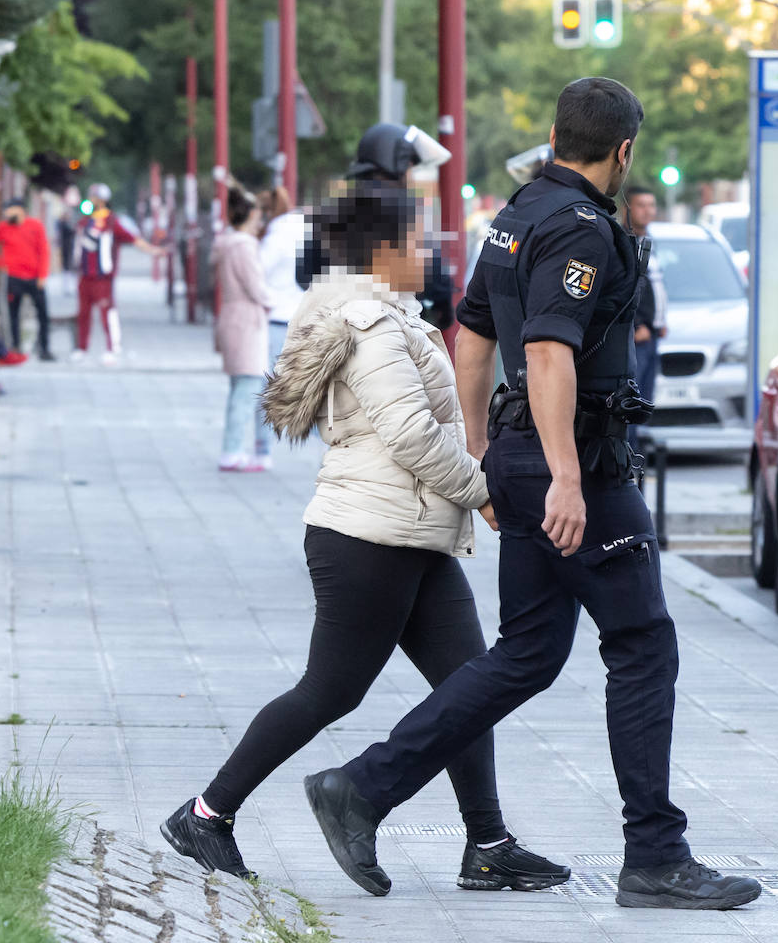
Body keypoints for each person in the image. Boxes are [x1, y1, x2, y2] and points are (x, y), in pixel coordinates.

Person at [302, 78, 763, 910]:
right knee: (643, 646)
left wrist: (484, 452)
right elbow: (548, 351)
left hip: (520, 456)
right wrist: (565, 477)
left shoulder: (513, 216)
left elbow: (470, 336)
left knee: (527, 655)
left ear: (555, 135)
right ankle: (655, 855)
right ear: (624, 151)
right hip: (573, 465)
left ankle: (362, 789)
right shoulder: (581, 229)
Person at [160, 182, 569, 893]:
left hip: (407, 532)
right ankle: (206, 813)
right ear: (384, 251)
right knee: (330, 690)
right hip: (369, 537)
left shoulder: (388, 316)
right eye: (419, 241)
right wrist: (484, 494)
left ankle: (488, 842)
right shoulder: (370, 324)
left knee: (466, 685)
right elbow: (411, 436)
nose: (430, 252)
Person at [299, 123, 456, 331]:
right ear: (396, 163)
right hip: (389, 326)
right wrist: (444, 308)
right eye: (410, 167)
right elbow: (433, 275)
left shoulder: (333, 209)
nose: (411, 175)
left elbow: (303, 274)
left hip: (333, 331)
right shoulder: (405, 210)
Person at [211, 185, 273, 472]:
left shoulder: (226, 243)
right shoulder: (245, 246)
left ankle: (233, 448)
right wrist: (272, 301)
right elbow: (255, 285)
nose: (260, 220)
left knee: (240, 387)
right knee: (247, 388)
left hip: (232, 315)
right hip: (247, 319)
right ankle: (232, 450)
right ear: (249, 215)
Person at [72, 182, 166, 365]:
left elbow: (134, 239)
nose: (91, 200)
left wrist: (153, 251)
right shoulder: (85, 221)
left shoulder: (112, 222)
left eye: (94, 197)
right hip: (85, 275)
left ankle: (112, 347)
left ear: (103, 200)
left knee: (107, 312)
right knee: (83, 313)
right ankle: (82, 348)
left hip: (103, 276)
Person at [622, 186, 667, 451]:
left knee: (644, 403)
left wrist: (660, 322)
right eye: (642, 205)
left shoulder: (649, 241)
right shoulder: (626, 242)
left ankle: (637, 459)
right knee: (632, 403)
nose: (648, 211)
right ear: (628, 209)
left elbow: (655, 287)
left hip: (652, 335)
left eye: (652, 205)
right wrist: (637, 325)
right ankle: (629, 460)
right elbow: (626, 289)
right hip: (638, 337)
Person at [0, 197, 54, 362]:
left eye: (9, 209)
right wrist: (0, 263)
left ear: (19, 210)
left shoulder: (35, 226)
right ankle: (16, 348)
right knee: (13, 314)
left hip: (34, 278)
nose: (6, 213)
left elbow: (44, 251)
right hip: (13, 278)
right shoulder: (2, 228)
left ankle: (45, 349)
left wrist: (43, 275)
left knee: (43, 314)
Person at [257, 185, 306, 378]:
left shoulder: (277, 238)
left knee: (268, 383)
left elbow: (257, 271)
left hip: (277, 315)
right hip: (302, 314)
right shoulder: (304, 230)